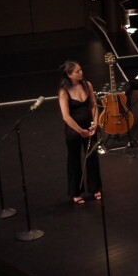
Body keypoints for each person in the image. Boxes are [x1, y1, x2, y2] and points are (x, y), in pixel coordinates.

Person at [58, 60, 101, 204]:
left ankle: (95, 188)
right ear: (70, 75)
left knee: (92, 155)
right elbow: (66, 116)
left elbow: (94, 105)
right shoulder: (64, 91)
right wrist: (80, 130)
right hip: (74, 129)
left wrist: (95, 123)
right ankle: (75, 192)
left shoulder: (87, 85)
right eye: (77, 71)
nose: (81, 73)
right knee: (74, 158)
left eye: (81, 70)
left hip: (90, 126)